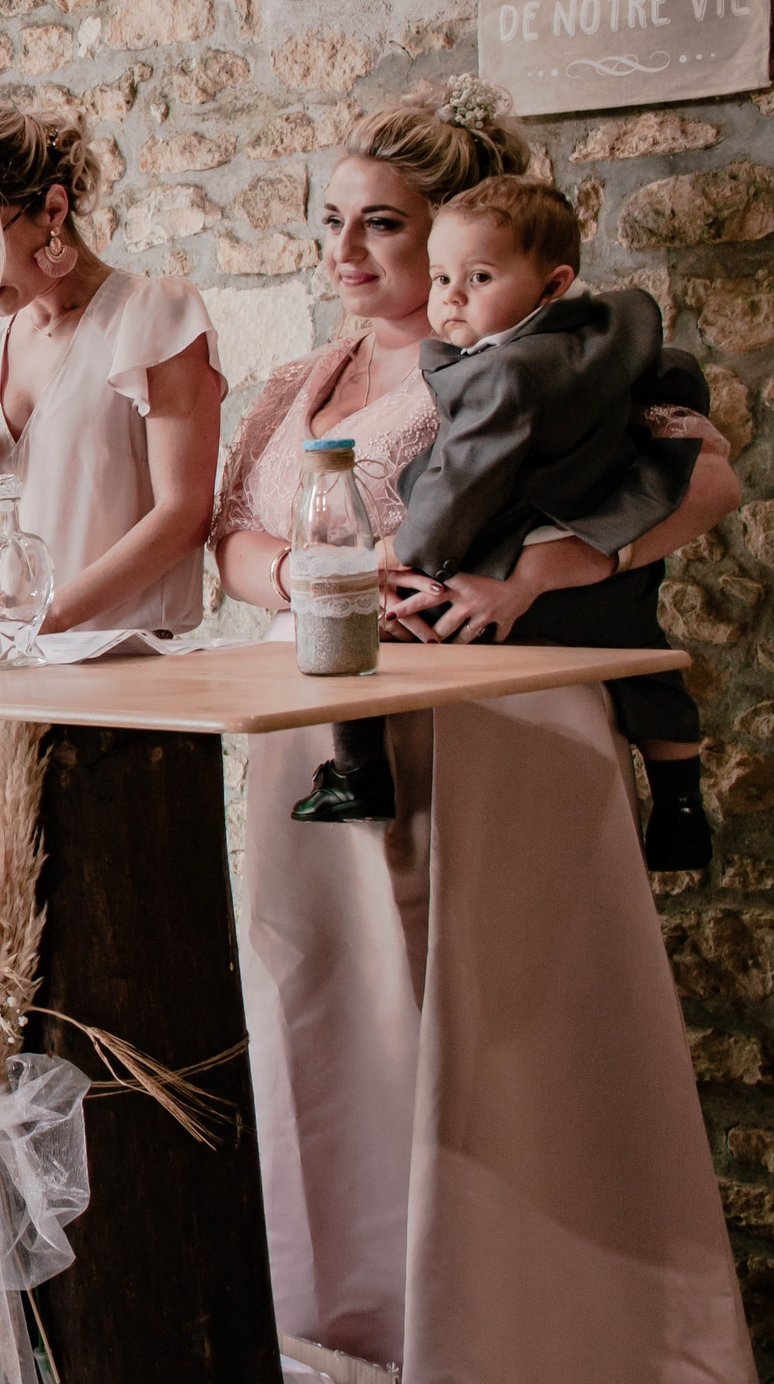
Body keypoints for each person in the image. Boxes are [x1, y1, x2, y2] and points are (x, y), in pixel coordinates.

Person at [211, 89, 750, 1380]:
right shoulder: (301, 379)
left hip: (492, 723)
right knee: (329, 1012)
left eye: (381, 225)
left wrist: (542, 571)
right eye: (331, 221)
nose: (345, 250)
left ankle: (541, 1339)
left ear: (455, 233)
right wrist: (302, 575)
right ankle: (360, 1330)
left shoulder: (552, 352)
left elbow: (705, 477)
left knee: (505, 1036)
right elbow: (227, 535)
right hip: (316, 724)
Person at [296, 176, 713, 863]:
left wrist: (397, 551)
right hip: (601, 559)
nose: (451, 297)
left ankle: (357, 772)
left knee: (374, 623)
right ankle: (681, 808)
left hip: (510, 562)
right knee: (646, 659)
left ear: (552, 284)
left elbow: (457, 489)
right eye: (441, 278)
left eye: (479, 277)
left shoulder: (503, 374)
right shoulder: (601, 341)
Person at [0, 103, 225, 647]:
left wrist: (48, 615)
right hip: (13, 657)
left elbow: (185, 515)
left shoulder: (153, 316)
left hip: (128, 667)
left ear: (53, 209)